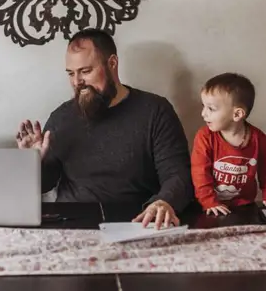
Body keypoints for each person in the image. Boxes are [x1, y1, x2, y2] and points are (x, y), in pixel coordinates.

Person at [16, 29, 193, 228]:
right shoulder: (61, 117)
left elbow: (178, 175)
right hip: (72, 222)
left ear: (112, 64)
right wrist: (33, 162)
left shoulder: (155, 111)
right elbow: (44, 185)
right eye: (71, 73)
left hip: (136, 221)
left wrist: (165, 201)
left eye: (85, 71)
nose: (77, 82)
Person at [190, 73, 266, 216]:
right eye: (204, 106)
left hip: (244, 206)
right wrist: (208, 201)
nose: (203, 114)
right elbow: (199, 172)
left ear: (237, 114)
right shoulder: (205, 137)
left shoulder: (258, 139)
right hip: (209, 206)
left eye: (211, 109)